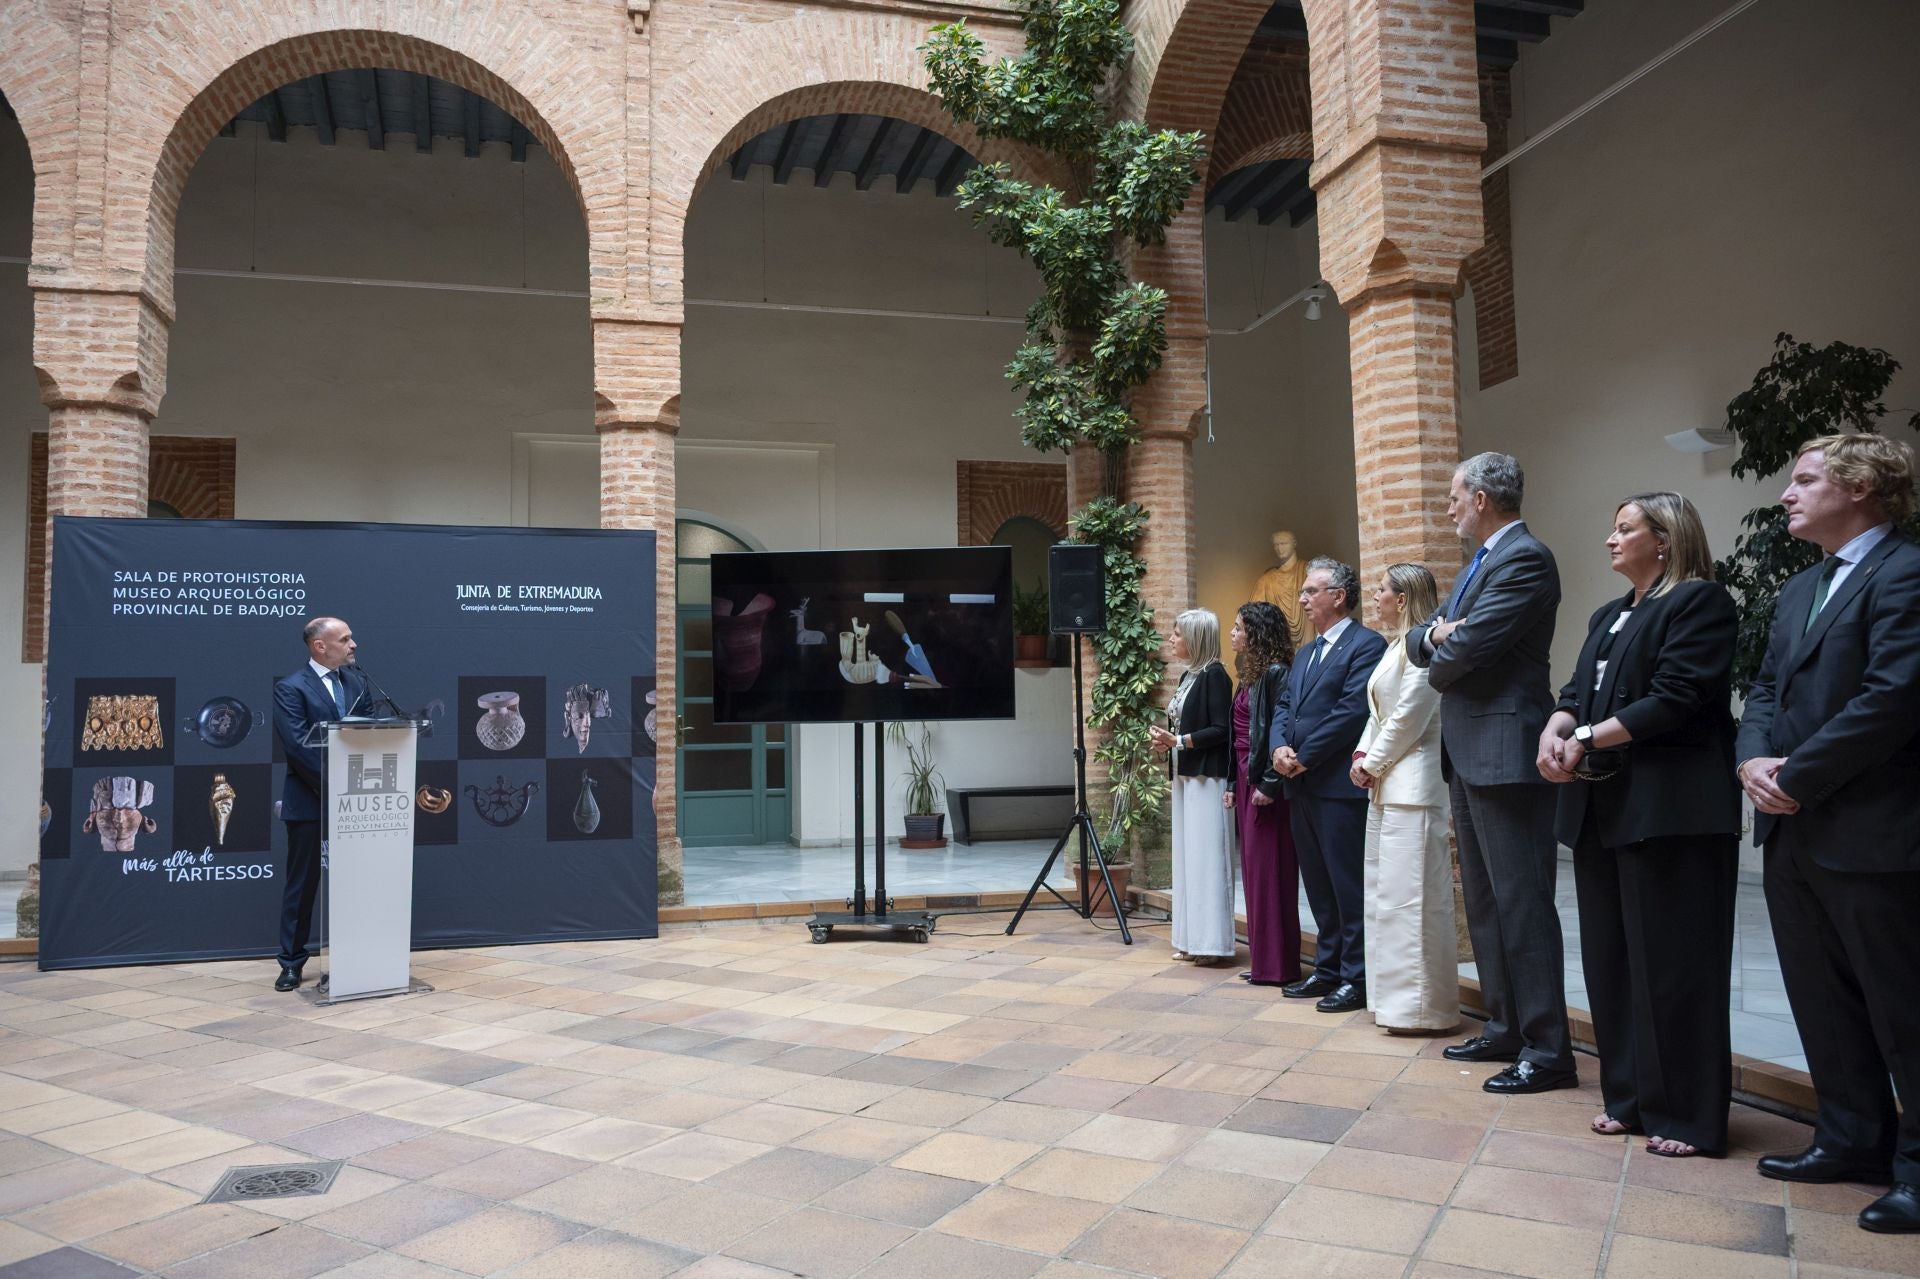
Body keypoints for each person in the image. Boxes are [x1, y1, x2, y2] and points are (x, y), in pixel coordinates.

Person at [1736, 434, 1920, 1234]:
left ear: (1865, 485)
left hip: (1873, 829)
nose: (1786, 494)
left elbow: (1893, 697)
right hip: (1792, 831)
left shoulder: (1907, 570)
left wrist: (1795, 776)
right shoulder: (1800, 586)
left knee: (1902, 1007)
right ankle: (1850, 1137)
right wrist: (1751, 762)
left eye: (1805, 478)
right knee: (1819, 995)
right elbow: (1766, 687)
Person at [1537, 493, 1738, 1157]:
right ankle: (1628, 1096)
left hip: (1672, 810)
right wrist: (1556, 729)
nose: (1610, 539)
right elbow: (1573, 695)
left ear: (1666, 536)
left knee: (1674, 964)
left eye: (1625, 528)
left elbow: (1677, 696)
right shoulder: (1609, 614)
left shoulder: (1699, 602)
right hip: (1604, 808)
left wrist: (1586, 739)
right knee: (1612, 961)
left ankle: (1685, 1114)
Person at [1407, 451, 1574, 1094]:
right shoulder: (1478, 561)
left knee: (1522, 901)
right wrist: (1442, 638)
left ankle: (1548, 1047)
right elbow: (1425, 638)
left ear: (1481, 498)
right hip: (1472, 749)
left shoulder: (1526, 558)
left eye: (1454, 494)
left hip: (1505, 750)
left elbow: (1463, 650)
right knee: (1483, 902)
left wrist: (1446, 644)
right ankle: (1505, 1027)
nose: (1448, 505)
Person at [1269, 558, 1385, 1012]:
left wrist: (1305, 758)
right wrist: (1279, 748)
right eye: (1302, 592)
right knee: (1317, 884)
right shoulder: (1305, 651)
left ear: (1338, 596)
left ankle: (1356, 978)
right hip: (1299, 783)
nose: (1302, 600)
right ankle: (1329, 968)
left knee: (1345, 884)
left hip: (1336, 785)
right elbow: (1284, 704)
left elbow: (1352, 711)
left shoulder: (1365, 645)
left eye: (1311, 591)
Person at [1350, 564, 1457, 1034]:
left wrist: (1371, 763)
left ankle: (1423, 1009)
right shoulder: (1396, 646)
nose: (1374, 596)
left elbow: (1412, 713)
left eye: (1381, 590)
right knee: (1385, 897)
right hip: (1386, 784)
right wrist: (1361, 752)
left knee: (1413, 900)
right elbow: (1378, 713)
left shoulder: (1425, 645)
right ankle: (1392, 1003)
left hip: (1414, 784)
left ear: (1403, 596)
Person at [270, 616, 366, 992]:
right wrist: (336, 786)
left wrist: (353, 789)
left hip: (358, 801)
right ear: (319, 646)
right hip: (310, 800)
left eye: (351, 637)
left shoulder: (358, 682)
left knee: (358, 881)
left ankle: (358, 954)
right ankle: (292, 963)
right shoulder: (291, 688)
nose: (353, 644)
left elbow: (370, 733)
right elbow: (297, 747)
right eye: (345, 639)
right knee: (303, 883)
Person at [1148, 609, 1236, 966]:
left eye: (1177, 634)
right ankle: (1189, 937)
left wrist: (1179, 740)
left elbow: (1220, 730)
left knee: (1207, 860)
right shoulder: (1189, 675)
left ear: (1197, 638)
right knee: (1187, 859)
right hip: (1185, 777)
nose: (1171, 639)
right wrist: (1165, 743)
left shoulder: (1215, 675)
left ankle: (1212, 943)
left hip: (1207, 778)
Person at [1225, 601, 1300, 987]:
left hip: (1263, 779)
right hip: (1244, 774)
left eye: (1238, 627)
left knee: (1271, 870)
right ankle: (1263, 960)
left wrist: (1269, 783)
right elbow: (1237, 734)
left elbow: (1279, 731)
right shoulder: (1250, 672)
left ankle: (1278, 965)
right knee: (1253, 872)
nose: (1233, 634)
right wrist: (1231, 784)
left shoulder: (1276, 673)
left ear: (1256, 633)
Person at [1252, 530, 1310, 647]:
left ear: (1294, 544)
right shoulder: (1266, 579)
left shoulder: (1307, 571)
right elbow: (1253, 614)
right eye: (1276, 545)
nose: (1279, 548)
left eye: (1283, 544)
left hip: (1307, 639)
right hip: (1278, 644)